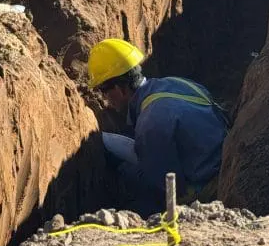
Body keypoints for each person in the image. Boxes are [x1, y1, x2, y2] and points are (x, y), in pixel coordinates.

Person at [88, 38, 229, 215]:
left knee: (127, 175)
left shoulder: (150, 123)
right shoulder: (176, 83)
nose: (104, 99)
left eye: (103, 90)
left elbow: (169, 186)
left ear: (118, 88)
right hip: (224, 158)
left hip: (209, 184)